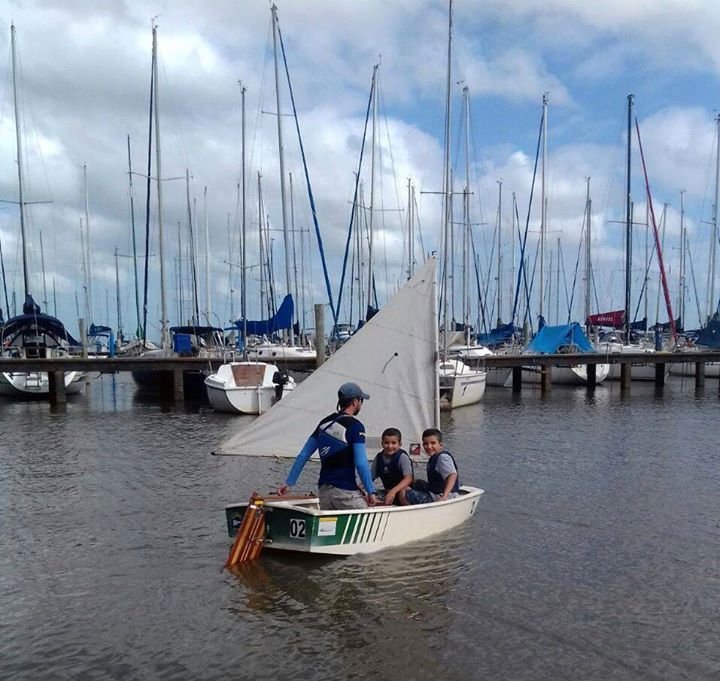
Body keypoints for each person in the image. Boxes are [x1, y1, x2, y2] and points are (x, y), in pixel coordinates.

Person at [278, 382, 378, 509]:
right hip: (345, 493)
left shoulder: (323, 424)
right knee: (366, 521)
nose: (361, 404)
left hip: (324, 493)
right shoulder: (355, 426)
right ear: (355, 401)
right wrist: (371, 491)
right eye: (361, 400)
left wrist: (289, 483)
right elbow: (361, 463)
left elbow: (303, 455)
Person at [399, 427, 459, 505]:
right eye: (426, 444)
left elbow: (452, 475)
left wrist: (444, 496)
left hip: (442, 496)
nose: (429, 446)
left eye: (433, 443)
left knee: (405, 493)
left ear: (440, 445)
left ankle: (411, 513)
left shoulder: (442, 458)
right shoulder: (435, 456)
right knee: (415, 483)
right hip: (435, 490)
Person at [370, 427, 414, 505]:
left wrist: (393, 491)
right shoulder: (378, 458)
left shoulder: (402, 457)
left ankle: (409, 513)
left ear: (400, 444)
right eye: (386, 443)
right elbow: (370, 478)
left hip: (403, 491)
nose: (390, 446)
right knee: (370, 495)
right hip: (388, 492)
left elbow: (408, 478)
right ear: (382, 443)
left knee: (403, 493)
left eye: (393, 443)